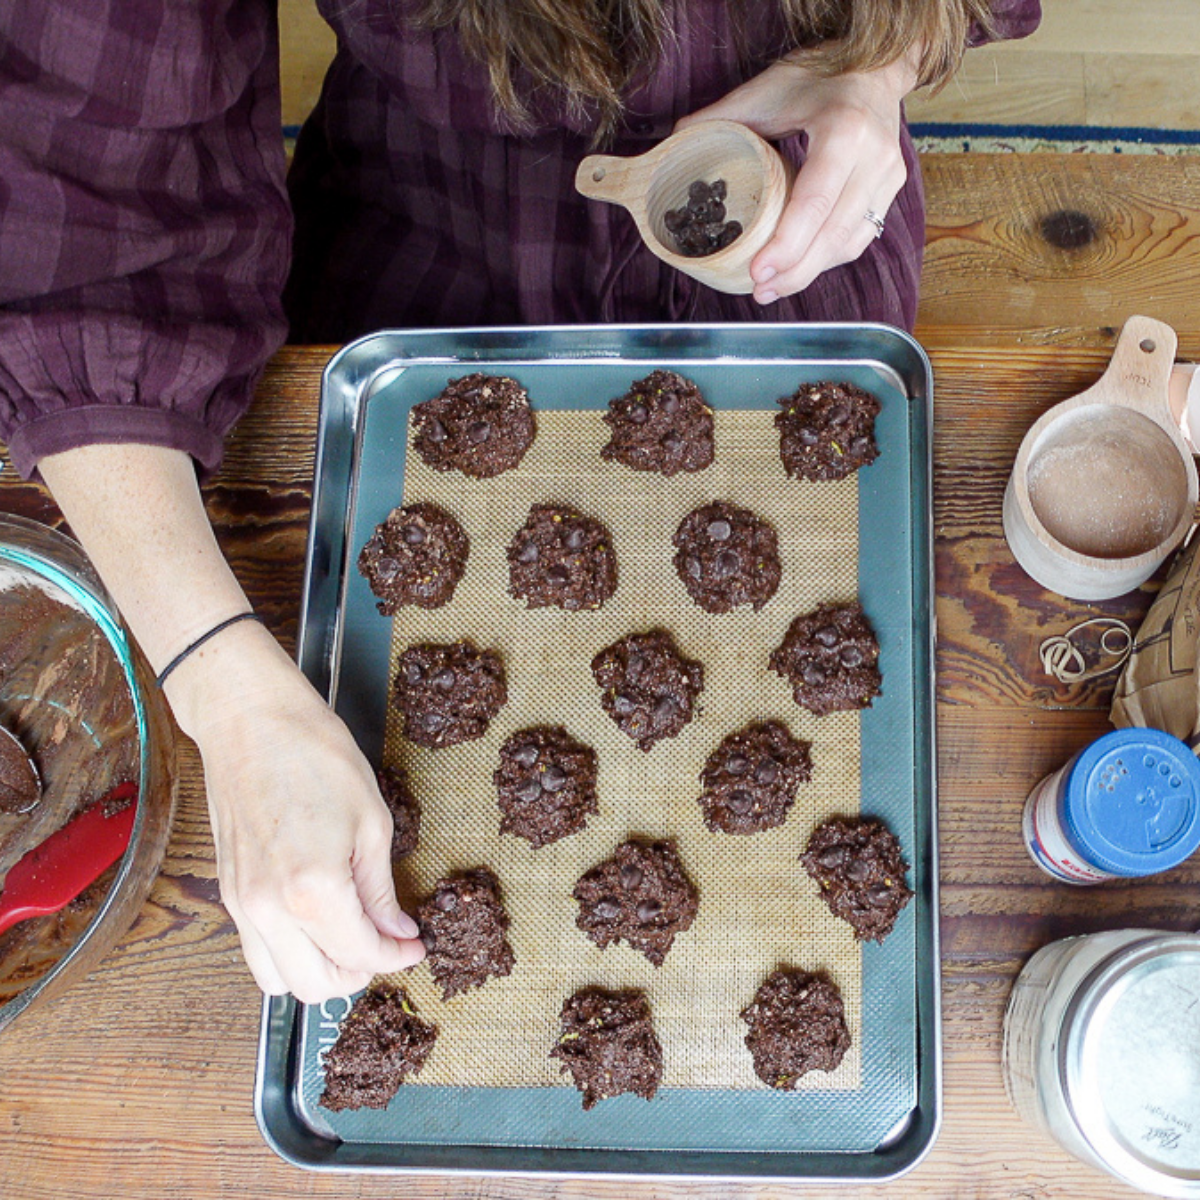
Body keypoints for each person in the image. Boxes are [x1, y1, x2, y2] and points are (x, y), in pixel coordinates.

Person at [0, 0, 1040, 1004]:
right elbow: (88, 225)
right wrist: (226, 695)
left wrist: (877, 67)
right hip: (421, 266)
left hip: (797, 256)